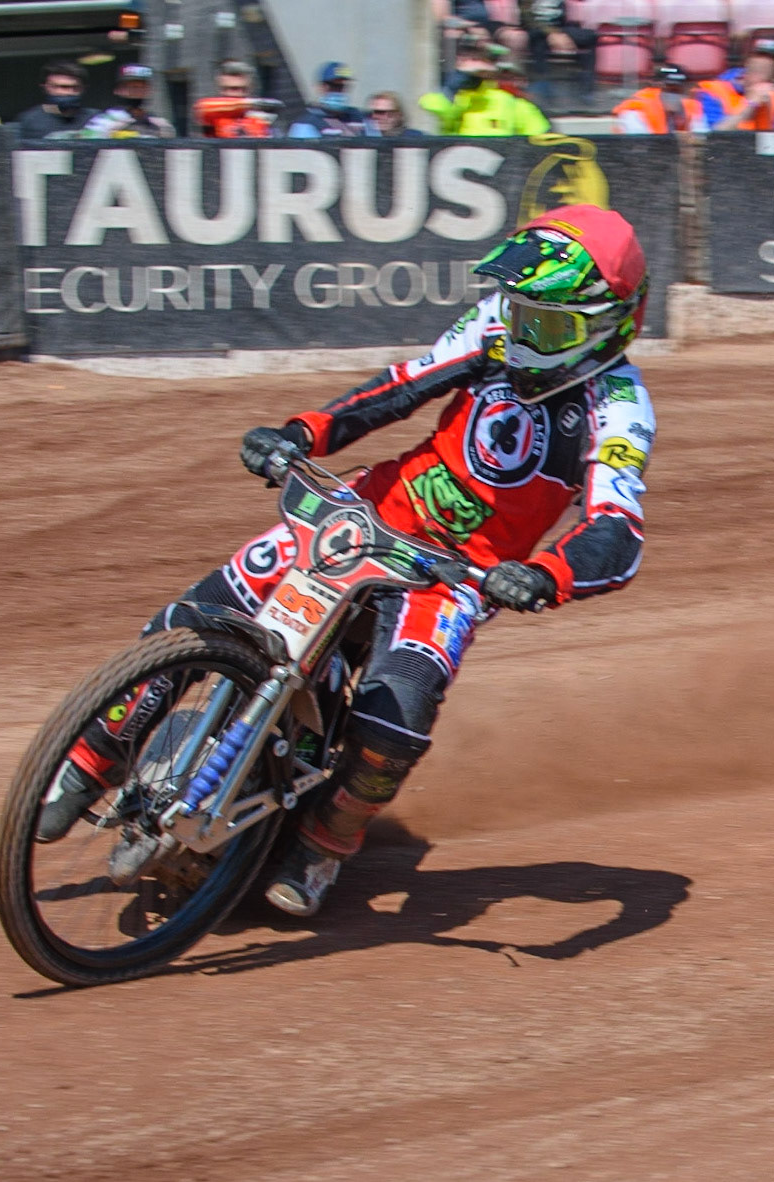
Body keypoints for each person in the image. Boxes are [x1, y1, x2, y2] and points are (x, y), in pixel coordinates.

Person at [37, 206, 657, 919]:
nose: (520, 333)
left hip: (450, 575)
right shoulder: (494, 327)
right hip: (360, 516)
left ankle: (328, 842)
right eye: (516, 312)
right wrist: (303, 432)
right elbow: (398, 387)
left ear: (610, 323)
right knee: (194, 616)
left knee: (397, 717)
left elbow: (617, 527)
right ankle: (91, 759)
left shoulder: (619, 404)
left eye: (544, 325)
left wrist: (549, 575)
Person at [421, 38, 551, 135]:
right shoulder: (457, 98)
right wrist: (453, 86)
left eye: (480, 59)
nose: (475, 65)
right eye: (470, 58)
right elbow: (430, 104)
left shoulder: (509, 100)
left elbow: (540, 135)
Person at [697, 48, 774, 131]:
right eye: (756, 71)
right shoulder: (715, 92)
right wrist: (750, 104)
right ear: (745, 74)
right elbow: (714, 136)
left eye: (767, 74)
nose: (763, 79)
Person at [525, 0, 600, 113]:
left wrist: (562, 34)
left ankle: (585, 91)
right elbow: (527, 18)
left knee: (589, 36)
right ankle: (544, 90)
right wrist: (552, 33)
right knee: (538, 43)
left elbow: (563, 16)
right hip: (536, 30)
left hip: (560, 29)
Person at [81, 64, 176, 138]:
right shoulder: (102, 122)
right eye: (131, 87)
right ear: (118, 90)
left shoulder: (160, 124)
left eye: (142, 87)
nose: (137, 92)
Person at [196, 60, 281, 138]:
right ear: (220, 89)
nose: (237, 93)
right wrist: (251, 103)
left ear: (250, 89)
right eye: (232, 88)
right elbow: (202, 108)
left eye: (243, 89)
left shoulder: (257, 118)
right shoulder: (212, 112)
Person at [285, 61, 371, 137]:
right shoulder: (306, 123)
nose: (338, 91)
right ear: (320, 88)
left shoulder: (357, 116)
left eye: (342, 86)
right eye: (334, 86)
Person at [613, 64, 703, 134]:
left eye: (679, 89)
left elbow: (701, 139)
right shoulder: (637, 110)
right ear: (657, 88)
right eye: (669, 88)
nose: (674, 93)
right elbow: (638, 149)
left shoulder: (691, 107)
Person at [13, 59, 88, 137]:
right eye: (57, 87)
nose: (66, 92)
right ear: (45, 87)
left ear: (83, 88)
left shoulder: (96, 119)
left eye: (74, 87)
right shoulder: (28, 120)